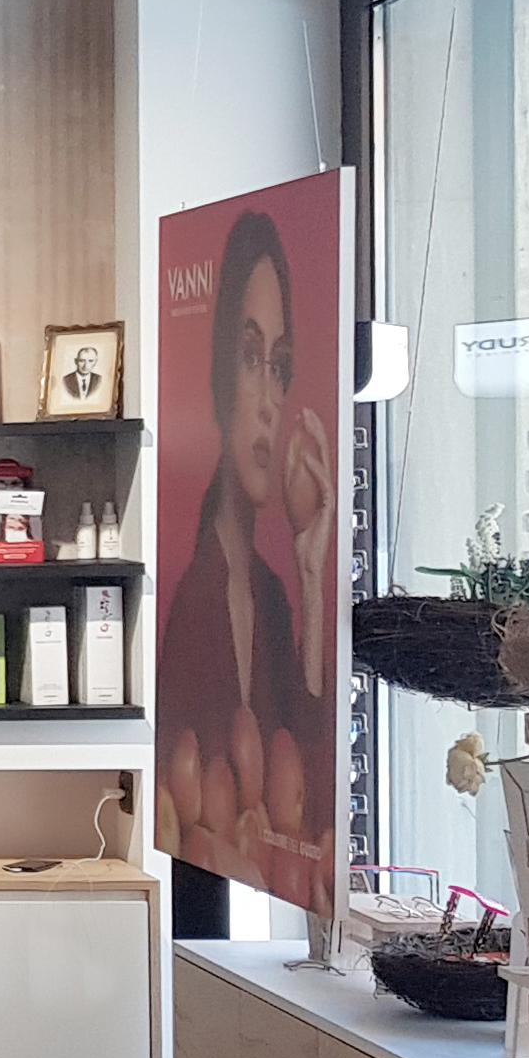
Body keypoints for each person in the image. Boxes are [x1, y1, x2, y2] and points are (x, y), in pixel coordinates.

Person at [158, 211, 332, 902]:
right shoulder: (187, 596)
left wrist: (312, 573)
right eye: (250, 357)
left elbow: (304, 754)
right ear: (217, 377)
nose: (269, 401)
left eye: (280, 367)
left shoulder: (272, 595)